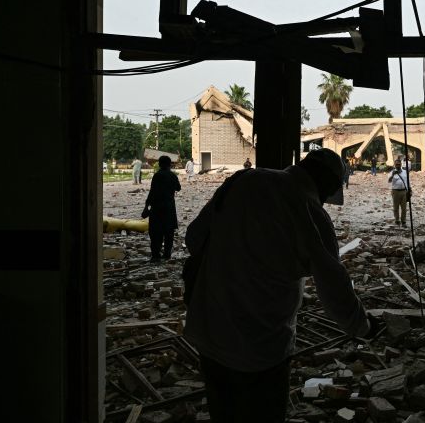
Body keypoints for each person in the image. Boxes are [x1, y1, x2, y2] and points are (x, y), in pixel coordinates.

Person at [184, 148, 378, 422]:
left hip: (211, 333)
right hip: (262, 347)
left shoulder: (242, 180)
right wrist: (363, 327)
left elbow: (193, 238)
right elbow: (335, 288)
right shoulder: (310, 212)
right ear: (326, 183)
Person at [141, 155, 181, 262]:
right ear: (170, 164)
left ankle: (156, 255)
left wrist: (146, 206)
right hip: (169, 208)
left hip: (157, 208)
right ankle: (167, 254)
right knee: (169, 233)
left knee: (155, 233)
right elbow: (178, 188)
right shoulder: (173, 176)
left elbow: (152, 192)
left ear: (159, 164)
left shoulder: (157, 175)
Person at [388, 158, 409, 227]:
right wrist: (392, 175)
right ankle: (397, 220)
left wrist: (410, 189)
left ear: (401, 164)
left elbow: (408, 181)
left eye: (399, 164)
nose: (397, 165)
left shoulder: (405, 172)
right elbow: (389, 181)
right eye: (396, 164)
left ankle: (403, 221)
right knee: (396, 207)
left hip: (403, 191)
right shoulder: (392, 172)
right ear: (394, 165)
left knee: (404, 208)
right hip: (395, 191)